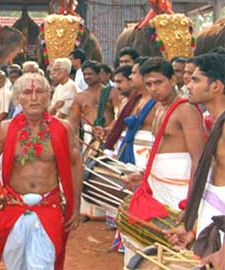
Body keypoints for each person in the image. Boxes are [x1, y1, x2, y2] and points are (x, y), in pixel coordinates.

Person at [0, 73, 82, 269]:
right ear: (17, 98)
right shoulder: (4, 129)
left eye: (39, 91)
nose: (33, 97)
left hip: (48, 207)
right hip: (13, 207)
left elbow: (76, 163)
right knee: (14, 265)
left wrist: (75, 205)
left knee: (42, 265)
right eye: (27, 92)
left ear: (48, 96)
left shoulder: (63, 129)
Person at [124, 57, 205, 264]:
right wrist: (143, 176)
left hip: (178, 194)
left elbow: (199, 159)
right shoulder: (159, 108)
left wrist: (191, 205)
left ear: (172, 79)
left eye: (158, 82)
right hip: (157, 188)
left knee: (173, 254)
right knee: (151, 252)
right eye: (149, 83)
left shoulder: (186, 110)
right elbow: (161, 149)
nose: (153, 88)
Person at [164, 54, 225, 260]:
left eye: (196, 80)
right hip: (212, 215)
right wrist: (194, 227)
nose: (188, 85)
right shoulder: (217, 122)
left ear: (216, 86)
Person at [67, 60, 118, 219]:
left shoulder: (111, 92)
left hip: (110, 135)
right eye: (85, 74)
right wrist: (73, 140)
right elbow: (73, 121)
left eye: (91, 74)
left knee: (110, 171)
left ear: (99, 74)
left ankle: (110, 214)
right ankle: (88, 212)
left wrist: (108, 130)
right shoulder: (80, 96)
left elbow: (119, 114)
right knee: (87, 170)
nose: (88, 77)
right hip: (89, 137)